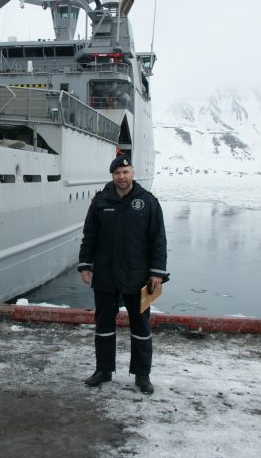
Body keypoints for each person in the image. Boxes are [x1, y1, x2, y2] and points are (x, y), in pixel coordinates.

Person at [78, 154, 168, 394]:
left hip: (137, 277)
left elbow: (158, 240)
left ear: (132, 174)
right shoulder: (100, 202)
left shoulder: (147, 202)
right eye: (117, 173)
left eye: (125, 172)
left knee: (140, 327)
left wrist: (157, 273)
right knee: (104, 325)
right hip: (106, 276)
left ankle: (142, 374)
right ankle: (103, 370)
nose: (122, 177)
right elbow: (90, 237)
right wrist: (85, 265)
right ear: (112, 176)